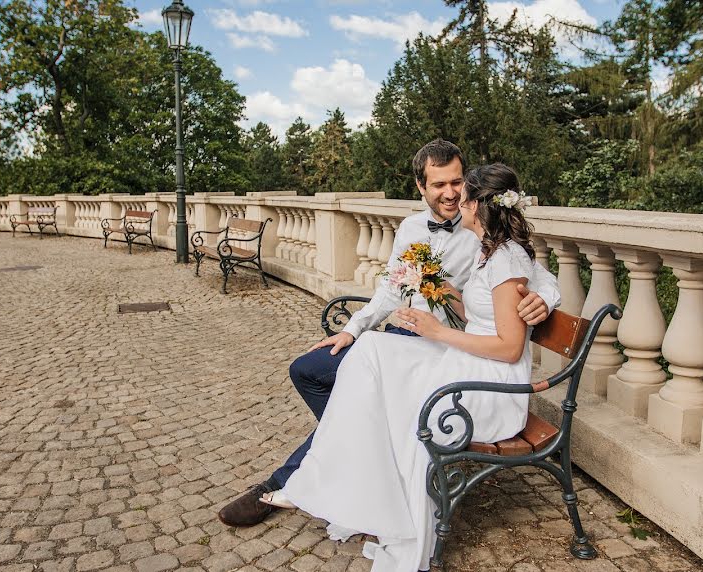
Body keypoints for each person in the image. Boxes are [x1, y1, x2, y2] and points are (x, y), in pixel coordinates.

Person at [217, 140, 560, 527]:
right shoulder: (412, 228)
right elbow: (390, 287)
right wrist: (351, 329)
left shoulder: (485, 228)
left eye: (456, 183)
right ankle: (372, 451)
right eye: (438, 185)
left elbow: (539, 275)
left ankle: (286, 482)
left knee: (368, 397)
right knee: (307, 370)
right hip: (403, 336)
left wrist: (544, 299)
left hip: (445, 347)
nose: (450, 193)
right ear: (420, 187)